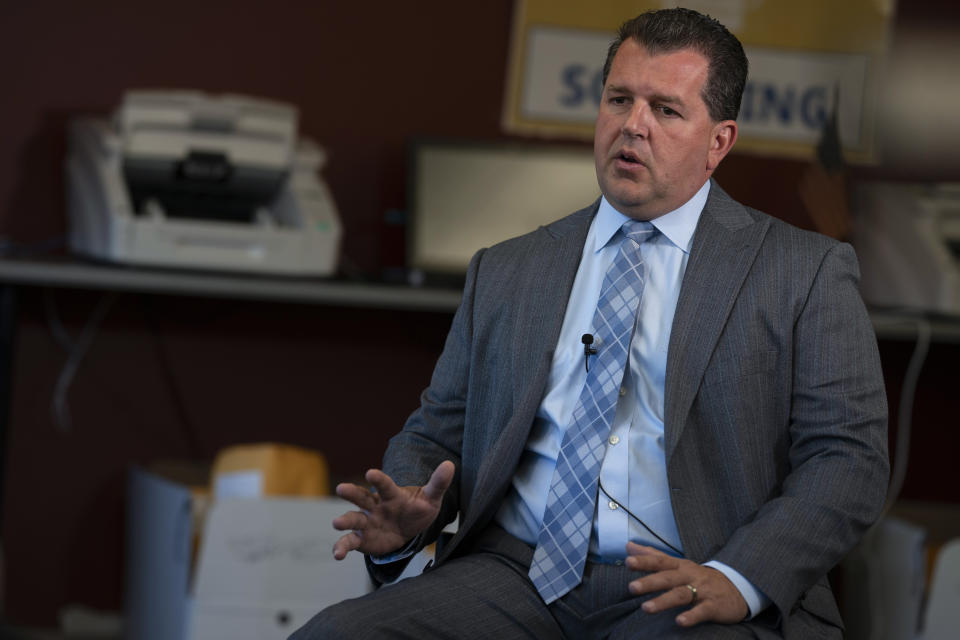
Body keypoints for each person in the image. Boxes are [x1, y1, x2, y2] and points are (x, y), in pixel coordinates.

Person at [292, 8, 888, 639]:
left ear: (719, 142)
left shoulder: (804, 272)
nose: (632, 125)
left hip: (689, 578)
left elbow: (848, 459)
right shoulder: (507, 268)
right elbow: (438, 433)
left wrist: (738, 577)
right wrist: (408, 512)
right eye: (618, 99)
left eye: (665, 109)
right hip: (514, 574)